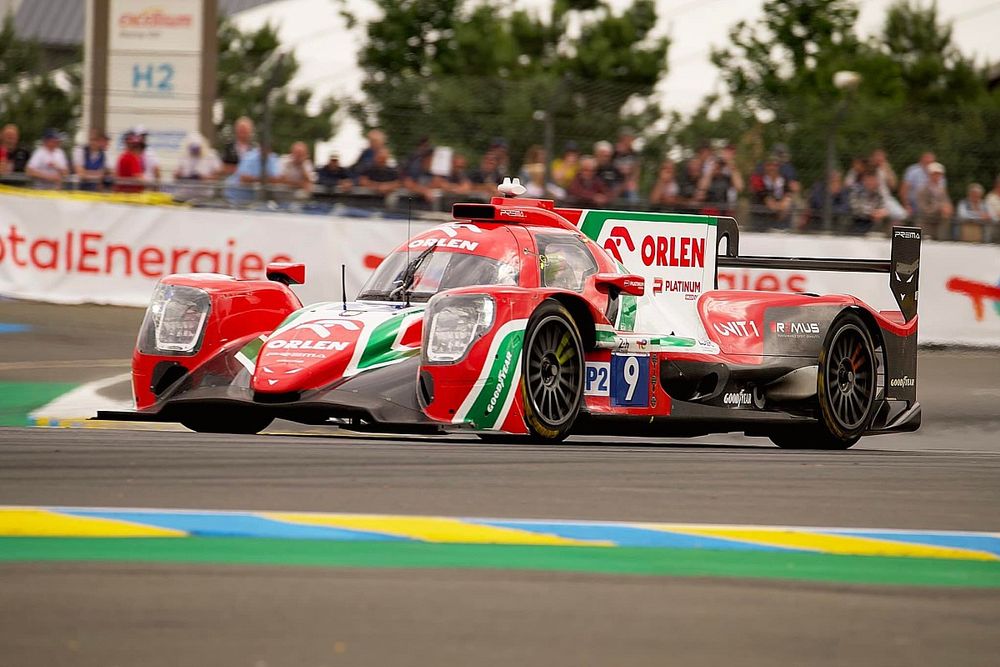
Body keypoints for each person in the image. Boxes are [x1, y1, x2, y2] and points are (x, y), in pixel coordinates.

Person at [173, 133, 222, 200]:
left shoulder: (211, 155)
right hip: (184, 195)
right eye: (192, 149)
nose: (195, 151)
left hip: (203, 196)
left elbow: (218, 176)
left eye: (197, 149)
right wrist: (179, 175)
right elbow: (175, 175)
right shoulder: (184, 156)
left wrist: (205, 178)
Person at [697, 144, 743, 213]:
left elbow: (740, 187)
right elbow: (702, 187)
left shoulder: (729, 174)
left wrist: (731, 166)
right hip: (709, 208)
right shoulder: (709, 169)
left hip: (724, 209)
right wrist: (712, 171)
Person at [750, 155, 792, 230]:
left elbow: (787, 201)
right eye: (769, 165)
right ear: (765, 167)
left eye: (775, 165)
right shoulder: (760, 181)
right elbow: (769, 203)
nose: (772, 168)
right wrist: (780, 206)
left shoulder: (783, 181)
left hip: (779, 219)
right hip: (762, 219)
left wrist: (782, 206)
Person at [915, 162, 953, 240]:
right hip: (926, 221)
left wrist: (948, 208)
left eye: (939, 174)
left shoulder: (942, 190)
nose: (937, 176)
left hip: (940, 219)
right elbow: (923, 208)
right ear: (929, 175)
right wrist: (938, 208)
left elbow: (947, 203)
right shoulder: (922, 190)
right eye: (935, 174)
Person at [899, 151, 941, 219]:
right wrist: (906, 205)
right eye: (927, 162)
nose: (929, 164)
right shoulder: (912, 171)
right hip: (914, 204)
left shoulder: (938, 173)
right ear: (921, 161)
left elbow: (943, 194)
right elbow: (904, 190)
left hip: (934, 203)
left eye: (931, 162)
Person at [847, 170, 890, 235]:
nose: (872, 182)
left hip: (873, 222)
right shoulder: (856, 192)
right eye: (870, 180)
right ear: (864, 181)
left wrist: (881, 212)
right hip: (857, 222)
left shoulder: (878, 195)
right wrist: (873, 213)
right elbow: (856, 208)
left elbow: (882, 208)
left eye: (874, 180)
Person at [613, 127, 641, 203]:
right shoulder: (615, 152)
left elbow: (636, 171)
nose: (629, 141)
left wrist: (633, 181)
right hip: (615, 181)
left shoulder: (634, 154)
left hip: (628, 181)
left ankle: (633, 212)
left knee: (633, 195)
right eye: (626, 138)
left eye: (630, 139)